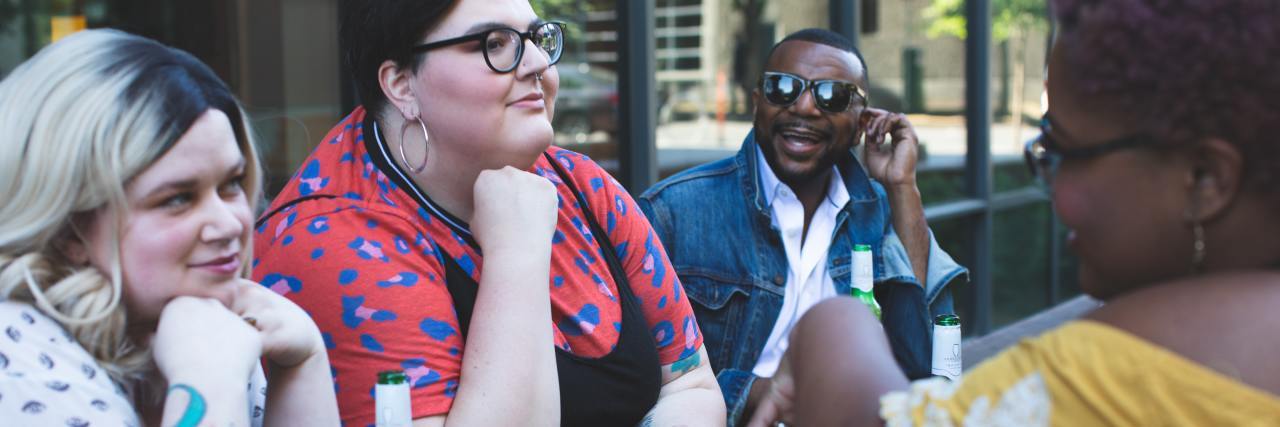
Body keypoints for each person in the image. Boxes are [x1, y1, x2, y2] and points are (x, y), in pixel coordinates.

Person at [744, 0, 1280, 425]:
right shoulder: (681, 207)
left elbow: (911, 364)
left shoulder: (1091, 382)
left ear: (1206, 180)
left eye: (1063, 149)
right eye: (783, 89)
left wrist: (831, 323)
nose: (1049, 182)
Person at [250, 1, 723, 425]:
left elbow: (693, 384)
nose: (538, 62)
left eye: (537, 38)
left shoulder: (581, 184)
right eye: (496, 44)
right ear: (401, 85)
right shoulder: (332, 241)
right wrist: (516, 253)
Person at [0, 29, 339, 425]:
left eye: (231, 184)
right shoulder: (19, 361)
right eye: (178, 198)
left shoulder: (197, 324)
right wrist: (208, 385)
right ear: (69, 230)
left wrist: (304, 362)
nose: (229, 223)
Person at [638, 28, 965, 424]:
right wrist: (762, 390)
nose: (806, 107)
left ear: (862, 121)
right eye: (783, 88)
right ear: (758, 102)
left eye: (832, 95)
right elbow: (634, 374)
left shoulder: (876, 210)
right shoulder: (673, 211)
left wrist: (902, 186)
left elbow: (920, 356)